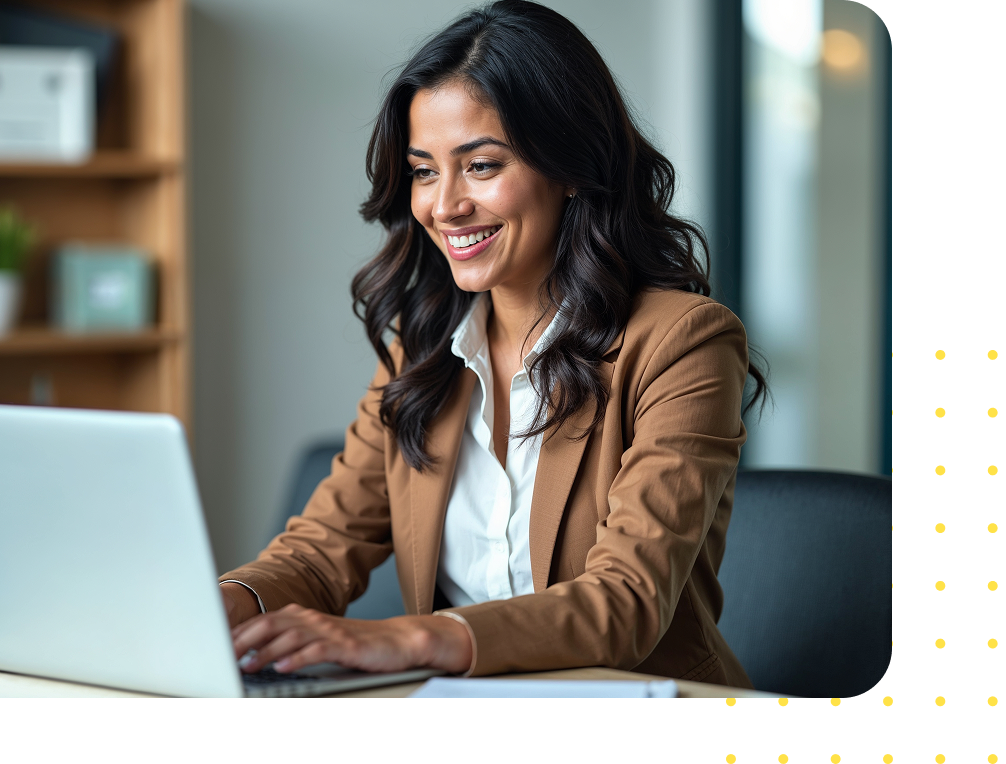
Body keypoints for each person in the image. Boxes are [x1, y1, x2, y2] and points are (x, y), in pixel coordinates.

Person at [219, 0, 765, 687]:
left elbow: (626, 602)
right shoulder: (418, 356)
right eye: (423, 170)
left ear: (569, 167)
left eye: (479, 165)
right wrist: (217, 604)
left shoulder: (681, 343)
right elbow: (320, 553)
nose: (444, 205)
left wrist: (411, 639)